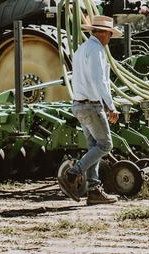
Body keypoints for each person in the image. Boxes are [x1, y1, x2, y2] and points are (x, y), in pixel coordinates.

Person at [58, 15, 122, 205]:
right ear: (103, 33)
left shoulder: (82, 50)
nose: (110, 38)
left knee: (94, 147)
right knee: (105, 145)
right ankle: (72, 174)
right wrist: (110, 105)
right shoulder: (96, 50)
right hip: (91, 105)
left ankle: (94, 191)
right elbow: (98, 81)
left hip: (79, 104)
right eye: (109, 34)